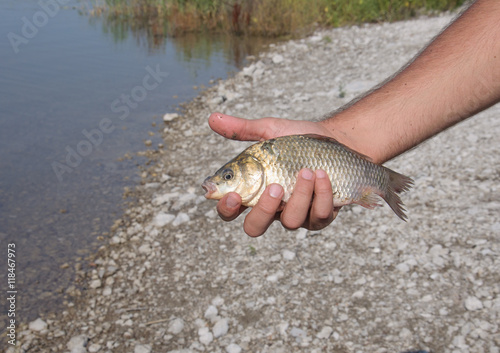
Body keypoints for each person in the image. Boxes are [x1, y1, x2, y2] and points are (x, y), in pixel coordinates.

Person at [208, 0, 500, 237]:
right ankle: (378, 181)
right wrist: (344, 135)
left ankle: (383, 182)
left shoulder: (264, 155)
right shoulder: (264, 155)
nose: (221, 181)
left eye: (229, 176)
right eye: (227, 176)